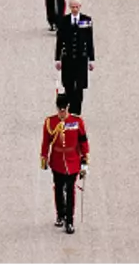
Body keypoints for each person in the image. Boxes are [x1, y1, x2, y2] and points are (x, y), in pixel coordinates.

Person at [41, 92, 89, 234]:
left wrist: (85, 161)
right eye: (59, 109)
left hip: (73, 161)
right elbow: (46, 141)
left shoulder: (77, 121)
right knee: (58, 189)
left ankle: (69, 221)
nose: (62, 113)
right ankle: (60, 214)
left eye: (64, 109)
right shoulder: (50, 122)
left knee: (70, 190)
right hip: (57, 161)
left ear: (68, 107)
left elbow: (83, 142)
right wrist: (43, 157)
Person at [54, 0, 95, 114]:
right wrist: (57, 59)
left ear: (80, 7)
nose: (75, 9)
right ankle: (70, 109)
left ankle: (77, 112)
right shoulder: (64, 21)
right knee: (68, 86)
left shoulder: (86, 20)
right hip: (68, 59)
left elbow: (89, 40)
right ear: (69, 7)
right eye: (73, 7)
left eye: (77, 7)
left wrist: (91, 59)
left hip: (81, 59)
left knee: (80, 87)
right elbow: (59, 41)